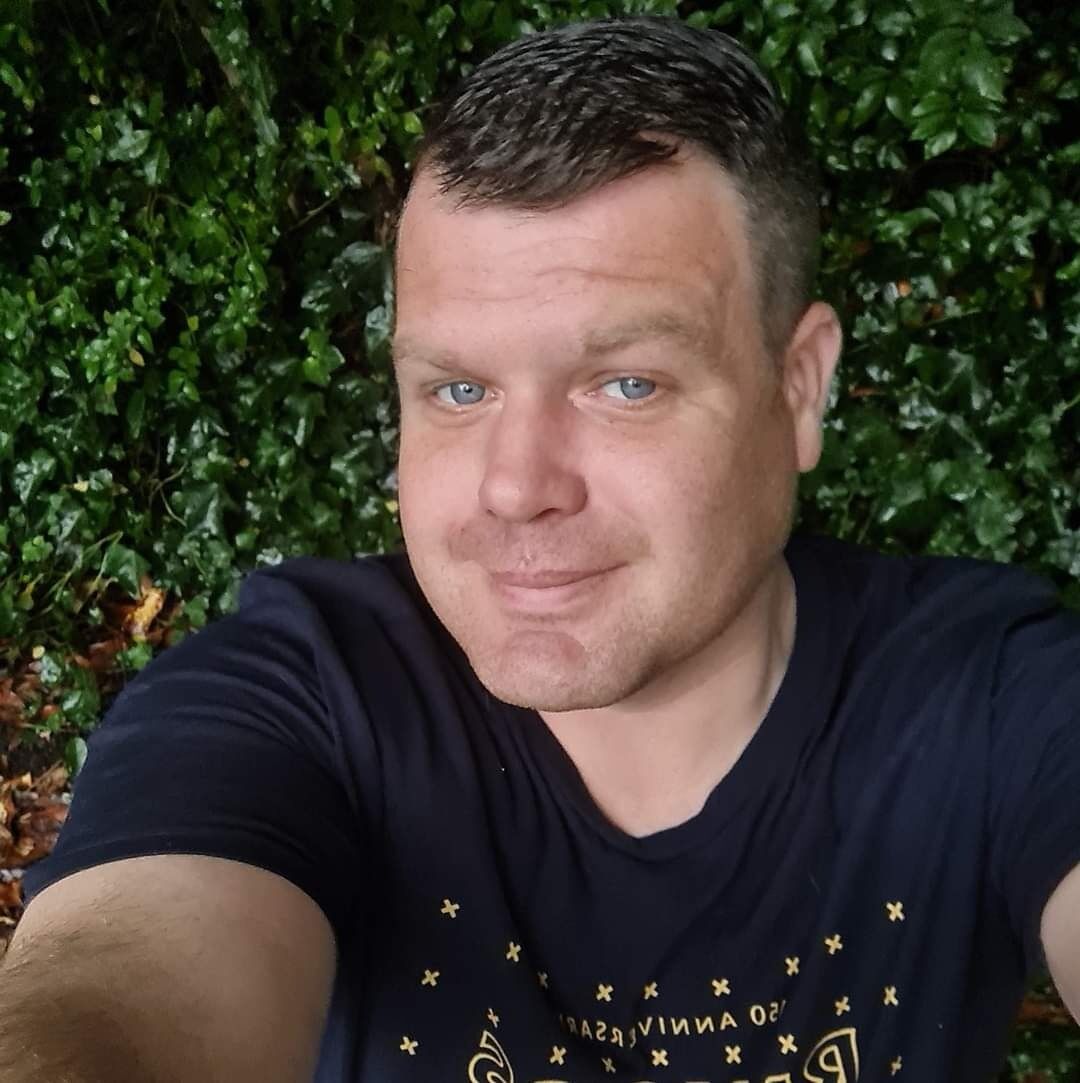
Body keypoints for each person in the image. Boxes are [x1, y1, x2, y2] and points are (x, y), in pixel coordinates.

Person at [2, 14, 1078, 1083]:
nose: (515, 487)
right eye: (458, 390)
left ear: (799, 386)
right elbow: (115, 998)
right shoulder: (299, 702)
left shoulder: (988, 698)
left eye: (627, 384)